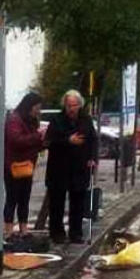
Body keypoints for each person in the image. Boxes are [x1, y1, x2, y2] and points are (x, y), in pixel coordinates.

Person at [44, 89, 98, 243]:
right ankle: (57, 233)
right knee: (57, 203)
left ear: (79, 105)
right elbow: (50, 141)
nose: (71, 109)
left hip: (80, 167)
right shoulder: (56, 120)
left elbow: (93, 140)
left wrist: (93, 158)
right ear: (64, 105)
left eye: (74, 105)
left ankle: (76, 233)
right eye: (69, 105)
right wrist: (68, 140)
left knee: (78, 202)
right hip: (59, 167)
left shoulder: (86, 120)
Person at [3, 92, 46, 237]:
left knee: (24, 198)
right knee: (12, 198)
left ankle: (23, 229)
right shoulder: (14, 120)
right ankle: (8, 230)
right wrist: (38, 135)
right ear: (29, 106)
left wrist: (43, 141)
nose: (38, 111)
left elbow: (33, 143)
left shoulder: (32, 121)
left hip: (27, 165)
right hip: (13, 166)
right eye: (37, 107)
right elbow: (16, 140)